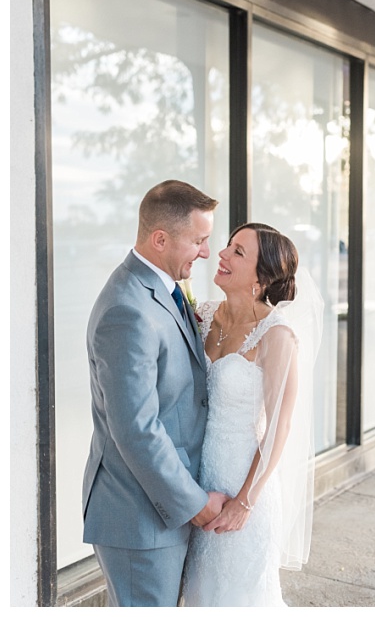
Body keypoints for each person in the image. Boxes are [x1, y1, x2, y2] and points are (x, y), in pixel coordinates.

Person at [82, 180, 226, 606]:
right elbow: (136, 428)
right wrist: (193, 503)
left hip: (159, 511)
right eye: (198, 240)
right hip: (140, 517)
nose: (205, 252)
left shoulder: (163, 288)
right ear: (160, 239)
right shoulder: (127, 309)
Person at [183, 222, 321, 606]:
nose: (222, 254)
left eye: (237, 252)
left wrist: (245, 500)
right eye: (228, 245)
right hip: (197, 486)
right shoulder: (204, 315)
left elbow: (280, 426)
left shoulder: (277, 335)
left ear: (260, 280)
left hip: (244, 485)